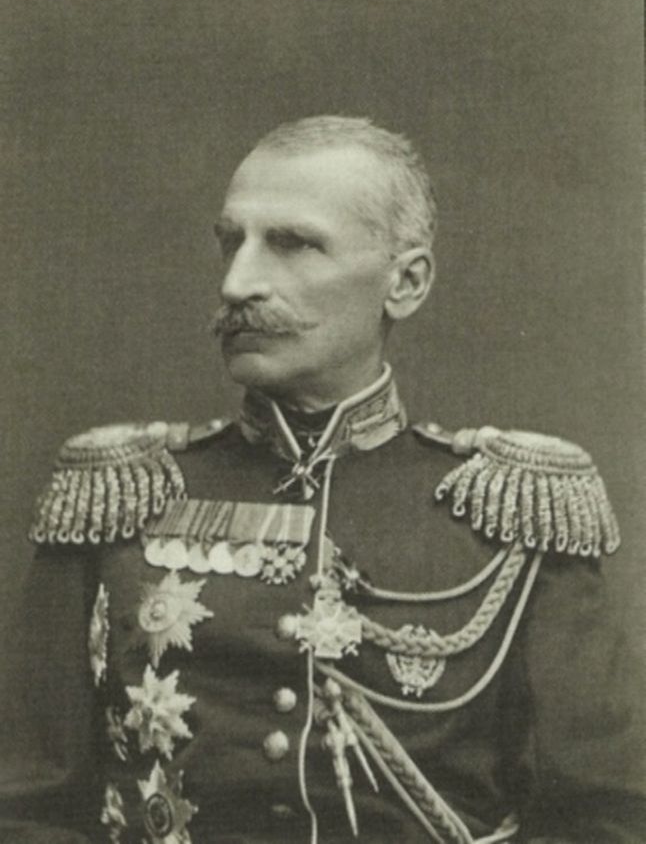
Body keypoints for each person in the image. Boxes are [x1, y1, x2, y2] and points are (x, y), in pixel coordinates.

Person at [0, 116, 643, 844]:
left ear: (405, 282)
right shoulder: (115, 497)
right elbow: (24, 812)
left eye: (293, 244)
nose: (237, 283)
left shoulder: (516, 510)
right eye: (231, 242)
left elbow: (608, 820)